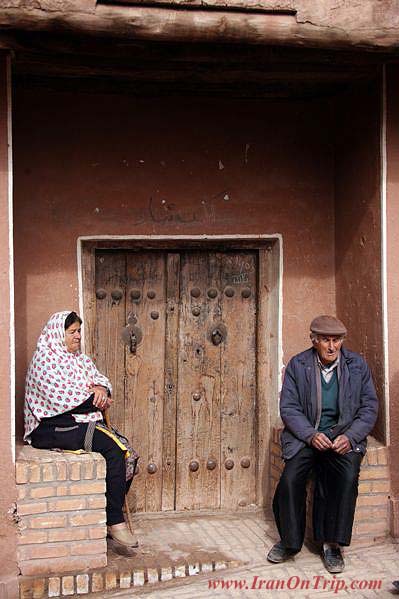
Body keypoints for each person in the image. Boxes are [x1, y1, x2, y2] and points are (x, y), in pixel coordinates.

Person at [267, 315, 378, 573]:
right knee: (290, 479)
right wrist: (309, 434)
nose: (331, 347)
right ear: (314, 340)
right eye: (326, 340)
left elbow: (369, 408)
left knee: (346, 476)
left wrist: (350, 437)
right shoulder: (298, 365)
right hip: (307, 436)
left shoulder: (357, 366)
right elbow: (289, 407)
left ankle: (331, 545)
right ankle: (290, 542)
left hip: (342, 436)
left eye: (336, 340)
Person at [24, 310, 139, 554]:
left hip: (78, 420)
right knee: (114, 449)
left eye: (79, 331)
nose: (78, 336)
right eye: (72, 332)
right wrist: (96, 397)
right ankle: (115, 521)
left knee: (128, 452)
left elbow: (101, 381)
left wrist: (101, 389)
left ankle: (108, 511)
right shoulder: (44, 360)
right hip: (53, 427)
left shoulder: (80, 359)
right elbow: (61, 399)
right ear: (58, 333)